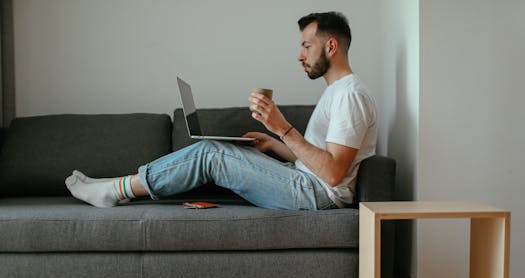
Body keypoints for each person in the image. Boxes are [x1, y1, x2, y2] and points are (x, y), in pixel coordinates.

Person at [65, 11, 377, 210]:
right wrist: (274, 145)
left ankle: (115, 190)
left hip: (316, 196)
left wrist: (282, 127)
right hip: (306, 181)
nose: (300, 55)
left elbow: (334, 175)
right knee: (216, 149)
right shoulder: (336, 92)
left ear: (331, 47)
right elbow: (318, 161)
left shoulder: (350, 96)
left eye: (307, 46)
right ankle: (116, 184)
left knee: (211, 154)